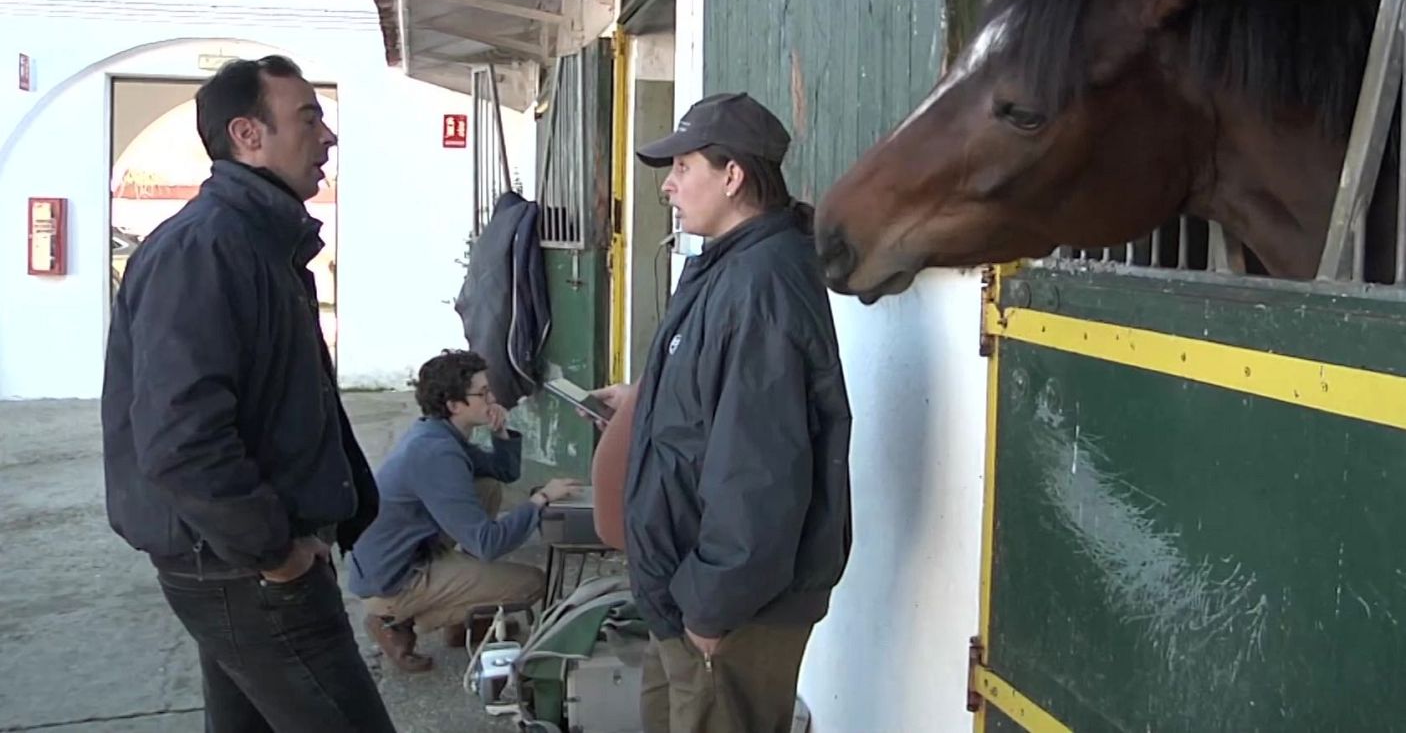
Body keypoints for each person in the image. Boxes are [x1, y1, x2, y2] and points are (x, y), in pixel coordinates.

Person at [101, 55, 394, 732]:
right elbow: (181, 439)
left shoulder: (262, 243)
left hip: (237, 563)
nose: (328, 138)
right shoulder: (206, 248)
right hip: (242, 569)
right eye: (309, 119)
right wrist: (276, 552)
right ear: (248, 135)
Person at [599, 92, 854, 733]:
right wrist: (645, 399)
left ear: (733, 176)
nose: (670, 188)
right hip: (686, 595)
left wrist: (713, 607)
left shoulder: (761, 284)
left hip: (727, 610)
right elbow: (717, 408)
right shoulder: (729, 267)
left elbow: (760, 470)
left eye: (683, 168)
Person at [348, 349, 581, 671]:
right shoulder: (437, 453)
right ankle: (393, 619)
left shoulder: (439, 433)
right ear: (454, 405)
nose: (493, 398)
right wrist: (540, 500)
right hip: (394, 579)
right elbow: (488, 543)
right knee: (531, 583)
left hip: (408, 552)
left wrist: (500, 432)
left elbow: (503, 473)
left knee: (486, 487)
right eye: (483, 393)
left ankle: (462, 620)